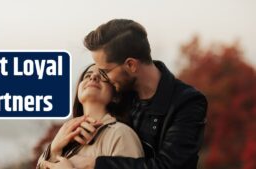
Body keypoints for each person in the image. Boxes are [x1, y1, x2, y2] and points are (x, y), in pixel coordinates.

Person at [64, 19, 208, 169]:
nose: (101, 77)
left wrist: (96, 164)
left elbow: (170, 166)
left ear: (131, 65)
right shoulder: (121, 94)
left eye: (105, 71)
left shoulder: (187, 102)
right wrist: (57, 145)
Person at [36, 64, 144, 169]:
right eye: (87, 76)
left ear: (116, 96)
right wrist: (54, 149)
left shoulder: (120, 134)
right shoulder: (65, 140)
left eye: (103, 76)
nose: (93, 77)